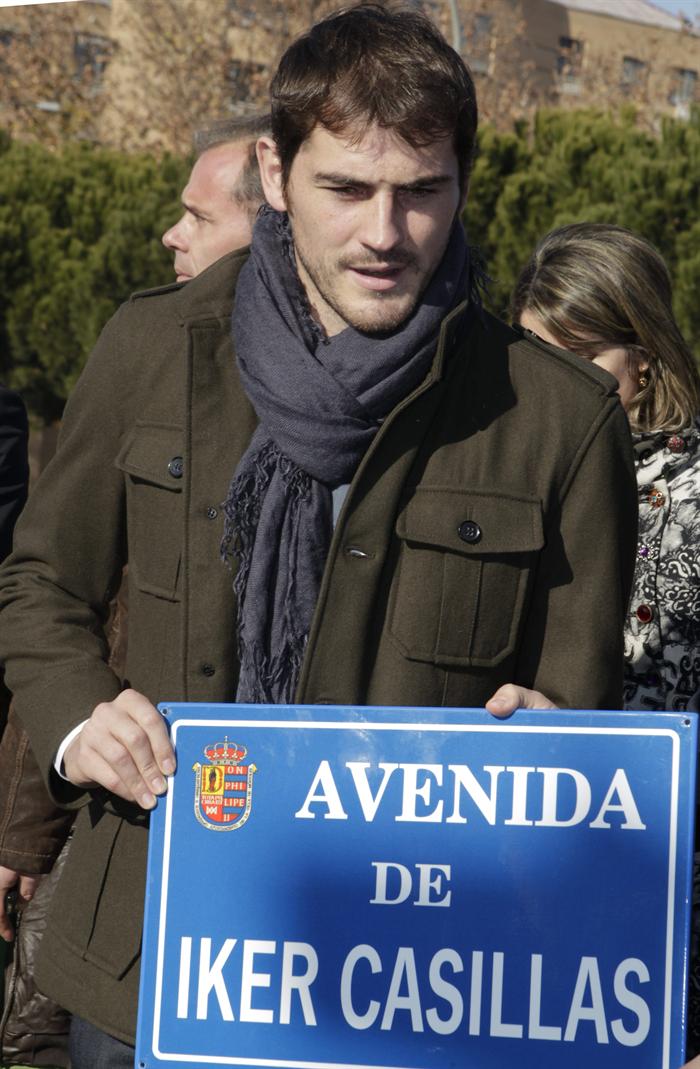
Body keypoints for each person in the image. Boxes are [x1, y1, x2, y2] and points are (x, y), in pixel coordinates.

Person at [0, 5, 637, 1063]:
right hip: (151, 953)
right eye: (346, 188)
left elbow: (576, 711)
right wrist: (80, 719)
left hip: (415, 983)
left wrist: (553, 739)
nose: (384, 234)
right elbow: (40, 584)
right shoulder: (154, 347)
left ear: (463, 185)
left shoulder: (558, 419)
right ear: (275, 170)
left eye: (421, 192)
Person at [0, 116, 268, 1064]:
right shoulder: (148, 343)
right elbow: (54, 590)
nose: (171, 233)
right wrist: (38, 810)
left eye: (197, 214)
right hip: (145, 900)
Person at [511, 222, 700, 713]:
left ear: (645, 353)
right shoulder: (508, 486)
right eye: (538, 361)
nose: (556, 385)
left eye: (580, 359)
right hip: (572, 782)